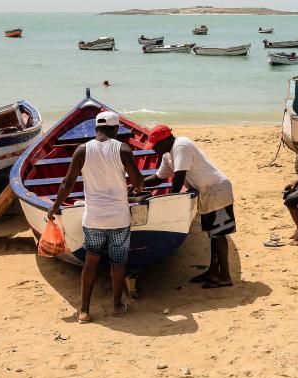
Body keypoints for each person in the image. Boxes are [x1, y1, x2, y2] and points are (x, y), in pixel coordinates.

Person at [48, 111, 144, 323]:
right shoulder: (123, 149)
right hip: (119, 219)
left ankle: (84, 311)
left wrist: (55, 206)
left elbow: (67, 183)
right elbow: (138, 183)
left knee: (91, 261)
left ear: (96, 129)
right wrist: (136, 186)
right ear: (116, 129)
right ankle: (118, 306)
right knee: (118, 262)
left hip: (93, 219)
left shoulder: (82, 150)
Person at [144, 125, 236, 288]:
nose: (154, 150)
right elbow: (159, 177)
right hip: (207, 193)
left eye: (156, 146)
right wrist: (139, 184)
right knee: (212, 235)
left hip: (217, 190)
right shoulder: (168, 154)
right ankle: (213, 271)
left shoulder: (181, 146)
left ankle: (225, 276)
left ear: (166, 140)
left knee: (219, 234)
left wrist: (170, 200)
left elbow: (179, 177)